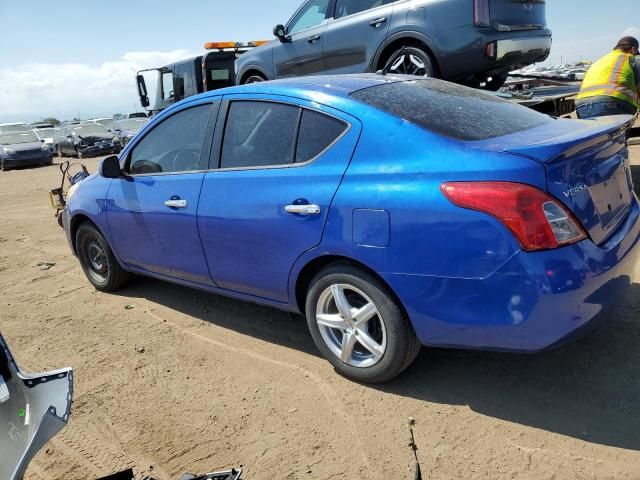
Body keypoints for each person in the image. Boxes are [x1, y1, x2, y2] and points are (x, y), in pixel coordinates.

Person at [575, 36, 640, 119]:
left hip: (581, 105)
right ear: (633, 49)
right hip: (612, 102)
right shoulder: (631, 58)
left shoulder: (600, 60)